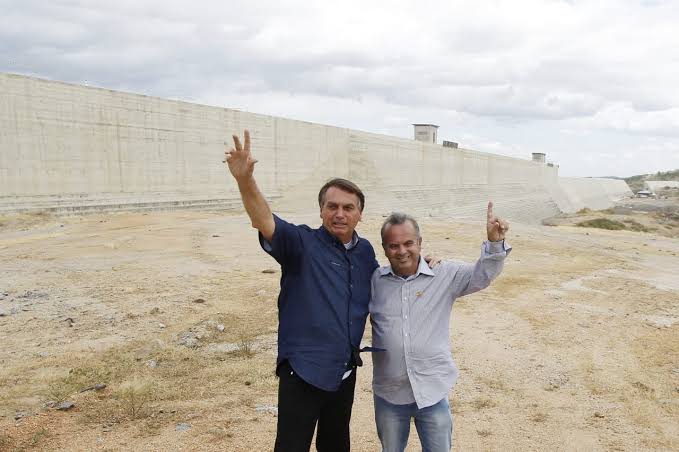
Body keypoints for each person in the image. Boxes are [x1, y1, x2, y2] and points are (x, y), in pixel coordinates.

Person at [224, 129, 379, 452]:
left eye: (348, 208)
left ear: (360, 214)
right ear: (321, 210)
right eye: (332, 206)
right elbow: (263, 219)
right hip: (304, 371)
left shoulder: (364, 253)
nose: (339, 214)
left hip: (344, 371)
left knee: (336, 445)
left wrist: (424, 261)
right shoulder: (301, 244)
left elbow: (385, 283)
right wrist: (244, 180)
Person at [369, 204, 511, 452]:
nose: (402, 251)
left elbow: (482, 275)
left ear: (420, 243)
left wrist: (494, 244)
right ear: (385, 249)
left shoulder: (444, 274)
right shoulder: (374, 281)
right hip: (389, 395)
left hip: (431, 393)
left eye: (408, 243)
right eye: (394, 245)